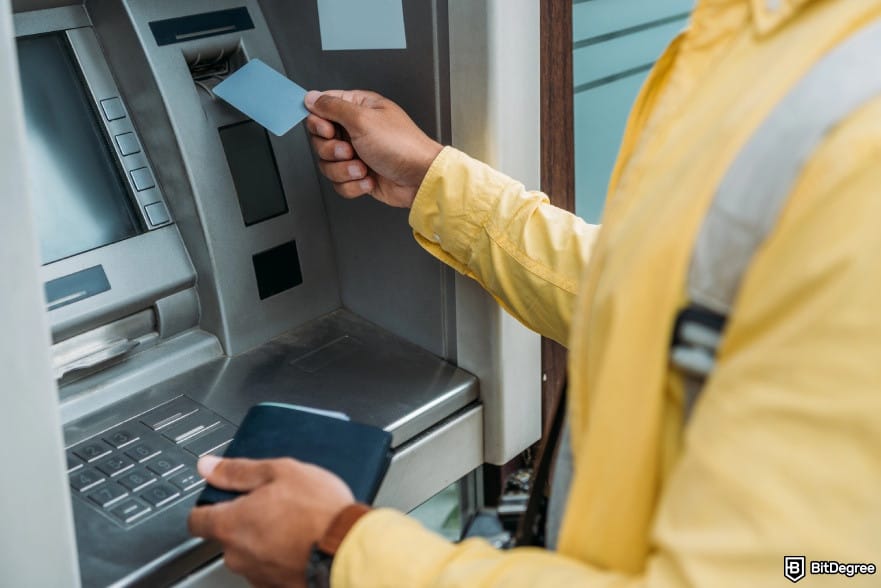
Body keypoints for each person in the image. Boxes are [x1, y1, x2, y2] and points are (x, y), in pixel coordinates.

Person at [188, 1, 881, 586]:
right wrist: (434, 181)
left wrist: (344, 551)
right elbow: (662, 304)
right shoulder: (762, 42)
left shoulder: (854, 123)